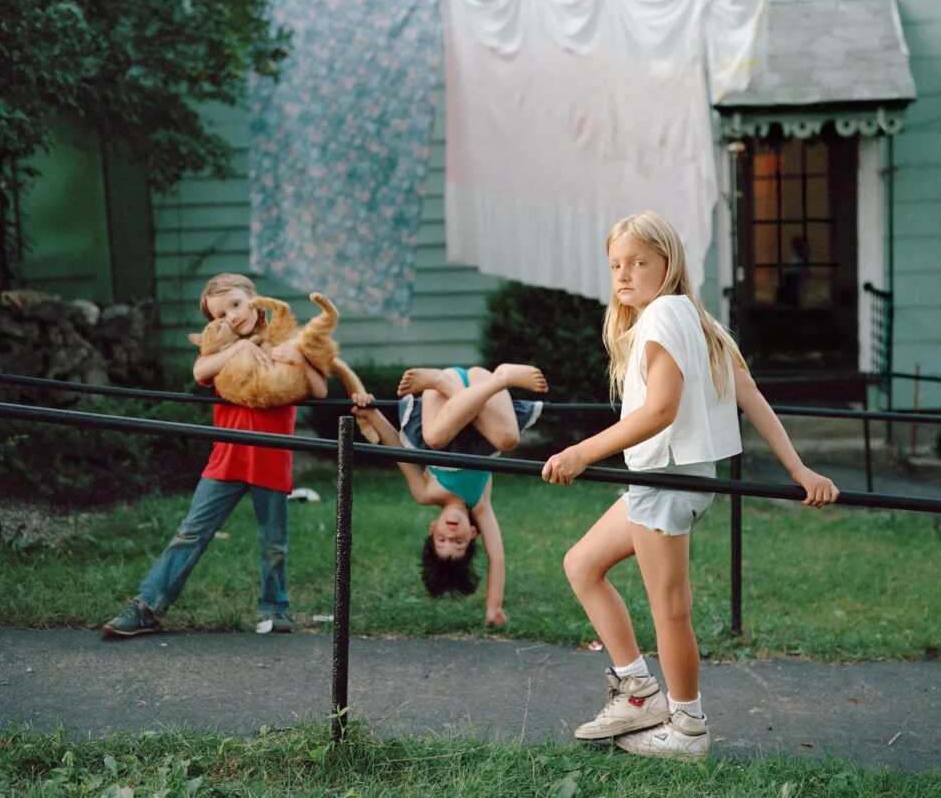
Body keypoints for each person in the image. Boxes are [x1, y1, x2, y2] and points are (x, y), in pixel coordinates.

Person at [542, 212, 839, 759]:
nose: (624, 274)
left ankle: (688, 729)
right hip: (668, 479)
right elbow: (751, 395)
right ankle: (636, 692)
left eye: (639, 262)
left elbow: (660, 410)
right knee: (582, 563)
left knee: (670, 609)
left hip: (668, 480)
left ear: (668, 264)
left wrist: (581, 452)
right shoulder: (695, 320)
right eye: (616, 265)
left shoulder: (664, 315)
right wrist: (799, 470)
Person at [102, 273, 328, 638]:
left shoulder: (284, 339)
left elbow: (320, 389)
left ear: (255, 299)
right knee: (190, 533)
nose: (231, 317)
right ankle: (148, 606)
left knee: (274, 544)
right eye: (220, 314)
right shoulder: (219, 346)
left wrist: (298, 358)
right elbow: (199, 371)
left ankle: (275, 610)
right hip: (226, 461)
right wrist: (239, 350)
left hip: (271, 462)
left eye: (236, 304)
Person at [352, 364, 547, 626]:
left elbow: (397, 449)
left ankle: (443, 381)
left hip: (441, 400)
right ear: (473, 534)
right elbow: (497, 557)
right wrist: (494, 607)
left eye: (442, 539)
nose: (451, 534)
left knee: (434, 439)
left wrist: (371, 414)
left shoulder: (425, 493)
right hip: (482, 383)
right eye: (458, 543)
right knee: (507, 440)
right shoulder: (480, 505)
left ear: (432, 528)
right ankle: (503, 377)